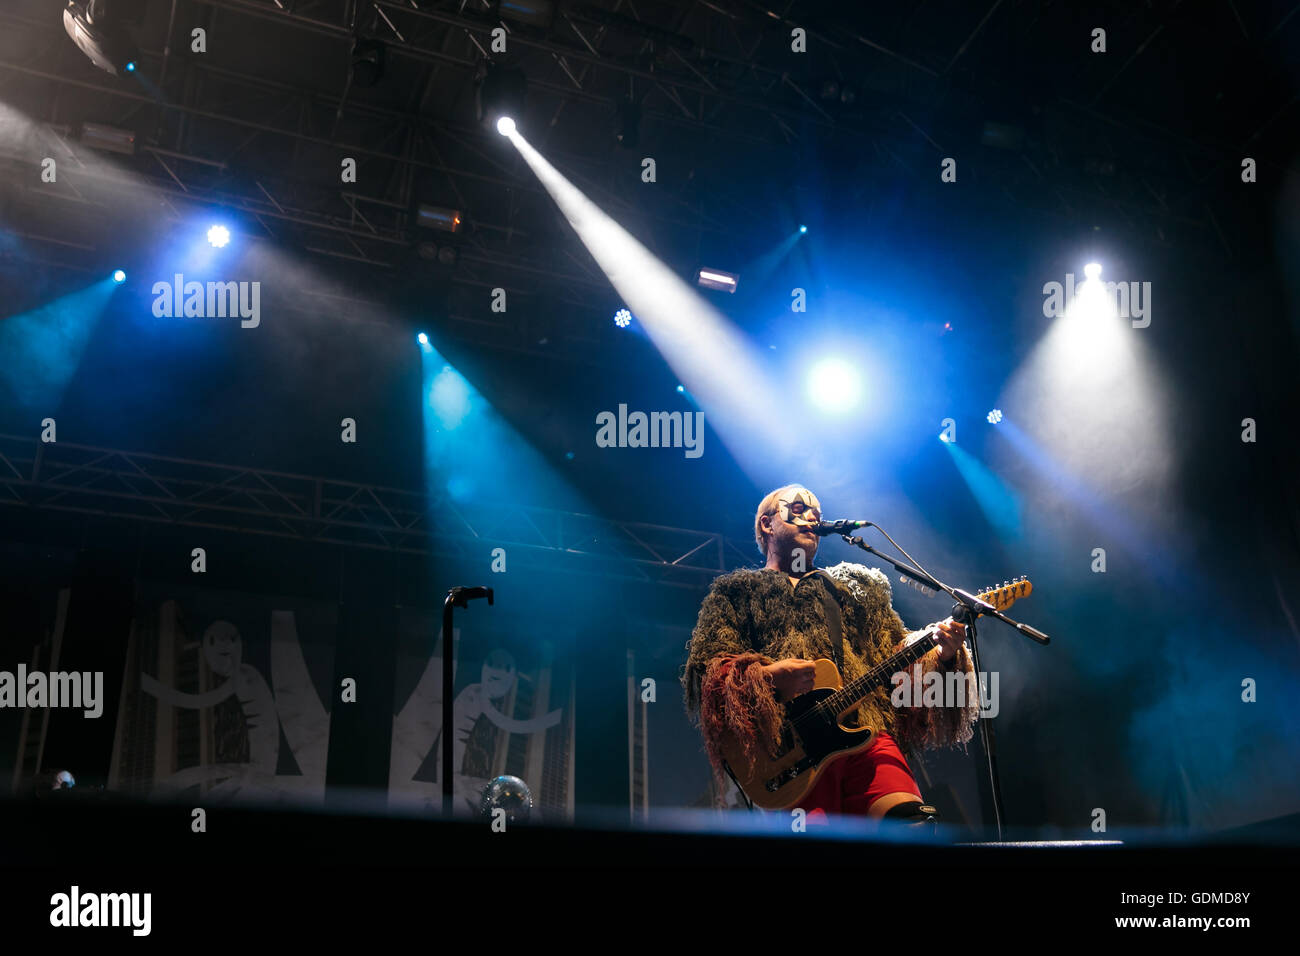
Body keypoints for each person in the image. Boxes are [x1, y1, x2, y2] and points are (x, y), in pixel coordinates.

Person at [681, 484, 980, 822]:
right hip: (790, 751)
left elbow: (895, 653)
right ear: (767, 524)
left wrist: (941, 653)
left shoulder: (857, 588)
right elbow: (707, 673)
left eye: (817, 515)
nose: (811, 517)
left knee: (912, 826)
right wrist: (767, 678)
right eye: (797, 509)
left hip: (865, 734)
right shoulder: (735, 592)